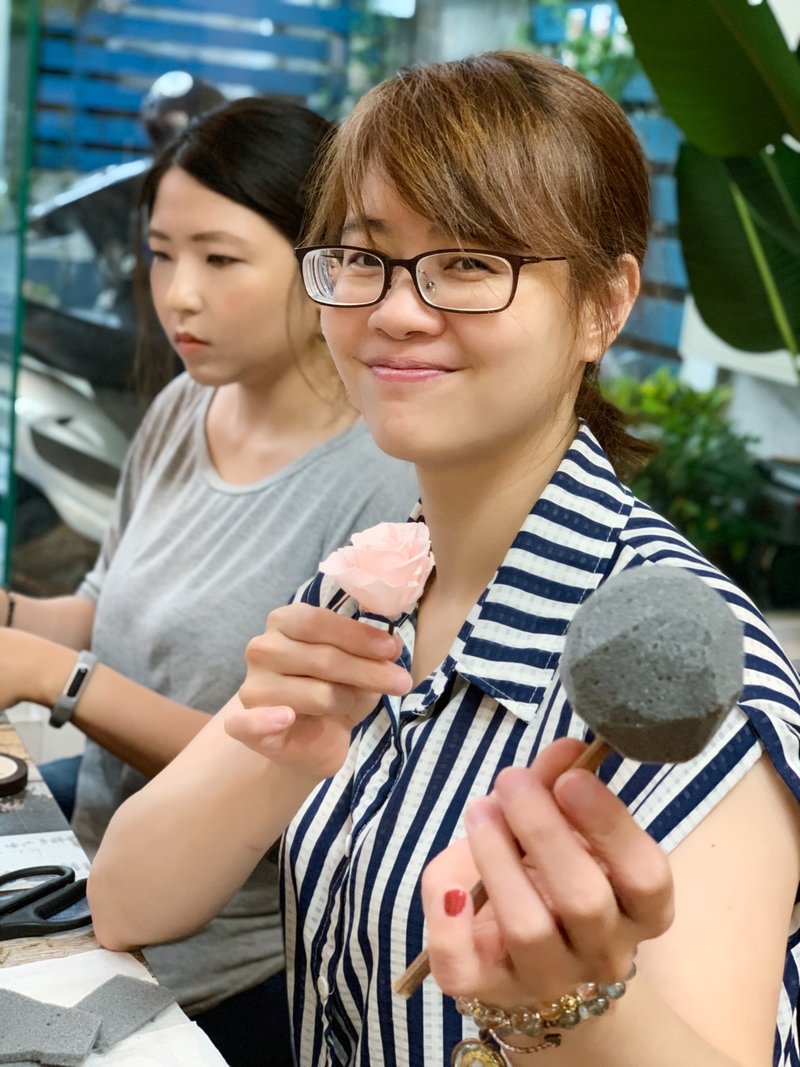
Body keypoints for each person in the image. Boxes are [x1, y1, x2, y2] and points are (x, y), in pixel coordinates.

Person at [87, 52, 800, 1067]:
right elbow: (123, 901)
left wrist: (575, 1009)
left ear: (603, 304)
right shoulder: (371, 583)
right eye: (364, 255)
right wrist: (268, 746)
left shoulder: (688, 674)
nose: (395, 309)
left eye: (470, 263)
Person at [0, 95, 418, 1066]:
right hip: (92, 855)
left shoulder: (384, 485)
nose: (177, 294)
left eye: (220, 259)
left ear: (327, 265)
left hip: (229, 966)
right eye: (159, 252)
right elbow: (106, 610)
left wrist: (54, 678)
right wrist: (17, 618)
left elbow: (291, 771)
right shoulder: (187, 405)